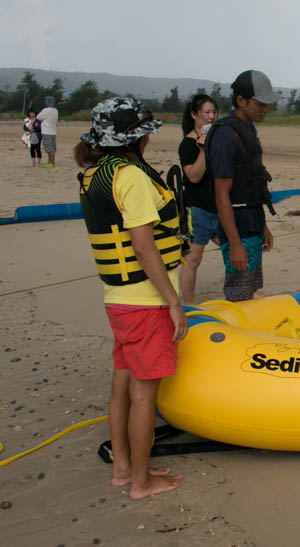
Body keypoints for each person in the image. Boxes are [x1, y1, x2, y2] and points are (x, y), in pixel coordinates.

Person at [74, 97, 186, 499]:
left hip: (118, 299)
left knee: (121, 383)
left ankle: (124, 467)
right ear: (137, 138)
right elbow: (144, 247)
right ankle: (141, 482)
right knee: (143, 395)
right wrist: (173, 302)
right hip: (145, 302)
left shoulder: (96, 173)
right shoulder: (132, 177)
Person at [205, 70, 276, 302]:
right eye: (259, 103)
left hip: (252, 221)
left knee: (251, 286)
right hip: (238, 227)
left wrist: (262, 225)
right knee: (239, 290)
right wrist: (235, 243)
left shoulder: (248, 129)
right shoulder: (226, 136)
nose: (265, 109)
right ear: (240, 100)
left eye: (268, 104)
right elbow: (221, 194)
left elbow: (253, 183)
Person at [177, 94, 219, 305]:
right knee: (193, 259)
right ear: (194, 115)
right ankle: (190, 302)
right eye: (206, 112)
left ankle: (244, 292)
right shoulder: (187, 145)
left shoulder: (217, 141)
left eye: (213, 112)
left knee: (235, 250)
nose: (211, 117)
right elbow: (193, 176)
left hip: (220, 208)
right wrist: (202, 150)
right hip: (198, 210)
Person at [37, 96, 59, 168]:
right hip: (53, 131)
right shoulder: (55, 110)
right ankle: (51, 162)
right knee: (52, 147)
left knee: (49, 148)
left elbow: (38, 117)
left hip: (47, 131)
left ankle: (51, 162)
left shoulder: (46, 110)